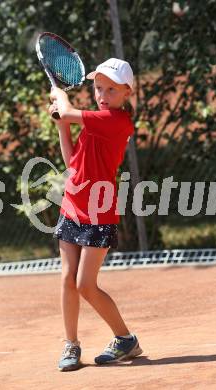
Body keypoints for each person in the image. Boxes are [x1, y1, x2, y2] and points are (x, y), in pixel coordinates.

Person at [49, 58, 143, 371]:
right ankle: (71, 344)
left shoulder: (115, 121)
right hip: (72, 205)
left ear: (127, 93)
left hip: (99, 211)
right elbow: (73, 162)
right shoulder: (95, 120)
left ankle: (125, 339)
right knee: (67, 278)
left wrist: (59, 97)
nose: (102, 94)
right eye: (98, 87)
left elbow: (66, 110)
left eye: (111, 89)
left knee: (85, 285)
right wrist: (63, 127)